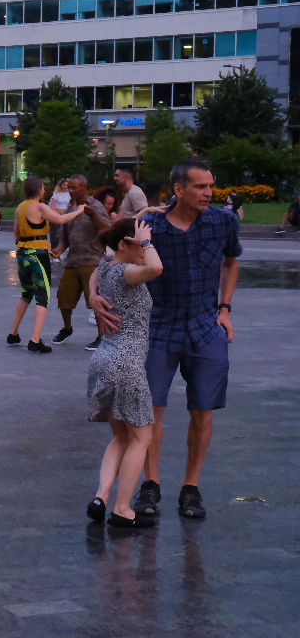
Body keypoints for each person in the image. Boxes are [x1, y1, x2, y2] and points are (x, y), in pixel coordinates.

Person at [94, 159, 241, 520]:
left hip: (206, 328)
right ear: (179, 190)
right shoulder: (148, 226)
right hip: (157, 328)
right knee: (149, 412)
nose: (209, 192)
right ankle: (151, 483)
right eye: (200, 187)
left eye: (211, 185)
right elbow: (108, 258)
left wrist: (225, 308)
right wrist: (94, 297)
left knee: (202, 411)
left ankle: (190, 487)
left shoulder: (224, 221)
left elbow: (230, 262)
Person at [86, 218, 163, 528]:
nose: (144, 248)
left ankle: (101, 496)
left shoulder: (106, 268)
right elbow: (156, 269)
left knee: (120, 437)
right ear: (123, 244)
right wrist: (147, 242)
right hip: (127, 363)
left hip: (104, 359)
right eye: (138, 242)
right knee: (141, 437)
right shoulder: (125, 272)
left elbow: (95, 270)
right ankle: (122, 509)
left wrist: (93, 294)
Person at [8, 176, 86, 353]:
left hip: (22, 253)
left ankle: (13, 333)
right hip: (38, 255)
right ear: (38, 190)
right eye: (43, 186)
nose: (44, 189)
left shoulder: (20, 207)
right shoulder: (40, 206)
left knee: (26, 293)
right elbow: (60, 220)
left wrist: (39, 246)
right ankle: (35, 340)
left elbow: (17, 236)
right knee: (43, 297)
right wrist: (80, 210)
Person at [50, 175, 111, 351]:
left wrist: (93, 217)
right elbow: (64, 235)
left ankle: (101, 335)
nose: (70, 191)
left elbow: (107, 230)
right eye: (69, 187)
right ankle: (67, 328)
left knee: (94, 301)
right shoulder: (70, 209)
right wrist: (59, 248)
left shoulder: (95, 206)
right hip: (72, 260)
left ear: (84, 187)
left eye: (74, 188)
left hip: (92, 260)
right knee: (63, 298)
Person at [48, 178, 71, 255]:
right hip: (56, 215)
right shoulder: (56, 194)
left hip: (64, 216)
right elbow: (52, 206)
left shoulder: (68, 194)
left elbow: (68, 205)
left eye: (67, 185)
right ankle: (54, 251)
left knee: (63, 235)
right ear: (60, 186)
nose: (65, 186)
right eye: (64, 185)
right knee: (55, 235)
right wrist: (57, 215)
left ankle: (60, 252)